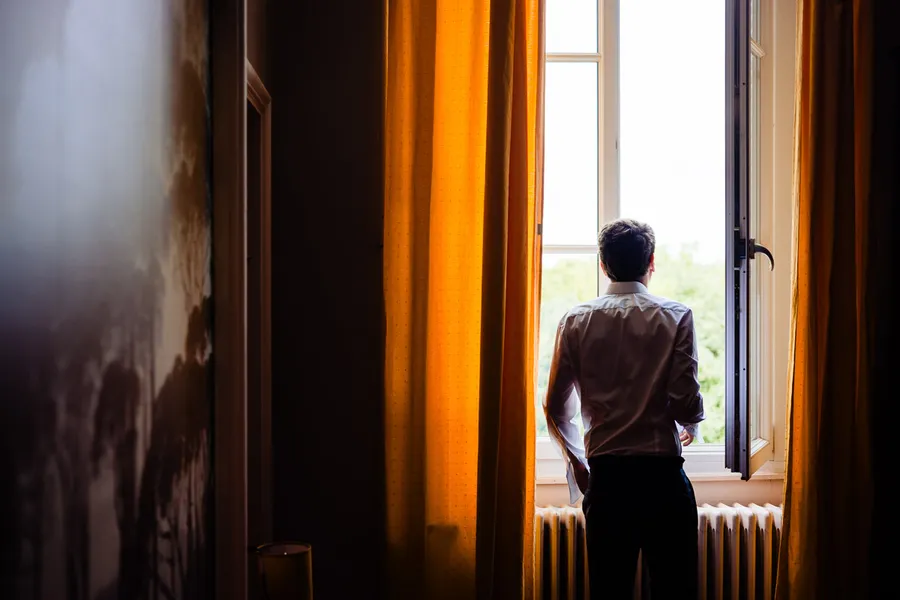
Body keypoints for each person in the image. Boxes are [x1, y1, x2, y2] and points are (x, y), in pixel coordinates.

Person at [544, 218, 704, 600]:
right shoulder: (676, 315)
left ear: (603, 265)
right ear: (651, 261)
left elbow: (555, 408)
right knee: (675, 592)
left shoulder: (575, 320)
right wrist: (691, 424)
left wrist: (576, 461)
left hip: (608, 480)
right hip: (662, 480)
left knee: (609, 590)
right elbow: (686, 401)